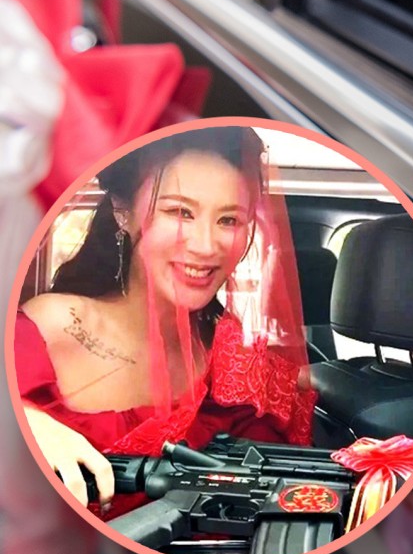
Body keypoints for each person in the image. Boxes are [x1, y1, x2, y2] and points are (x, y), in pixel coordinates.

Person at [15, 125, 315, 511]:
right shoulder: (48, 327)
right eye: (180, 212)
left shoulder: (233, 364)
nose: (206, 246)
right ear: (124, 213)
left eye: (229, 220)